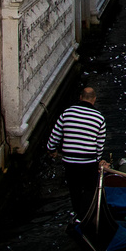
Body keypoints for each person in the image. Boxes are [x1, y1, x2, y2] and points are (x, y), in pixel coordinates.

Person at [46, 86, 106, 218]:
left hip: (70, 162)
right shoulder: (99, 118)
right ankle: (84, 216)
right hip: (89, 162)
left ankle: (79, 215)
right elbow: (99, 145)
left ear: (80, 97)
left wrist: (52, 150)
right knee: (90, 189)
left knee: (75, 189)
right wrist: (97, 160)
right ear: (94, 100)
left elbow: (54, 136)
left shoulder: (67, 113)